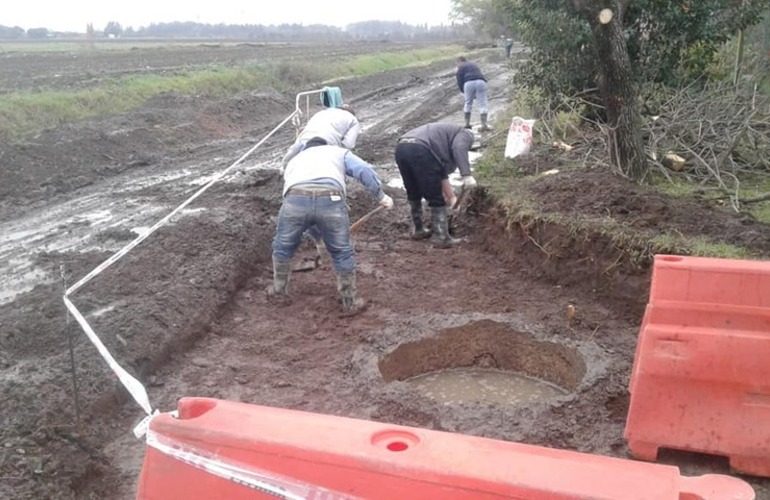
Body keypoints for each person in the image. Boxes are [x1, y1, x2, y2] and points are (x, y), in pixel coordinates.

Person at [269, 137, 394, 314]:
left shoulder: (295, 159)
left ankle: (279, 291)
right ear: (325, 145)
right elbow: (364, 169)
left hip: (295, 200)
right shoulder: (337, 152)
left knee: (283, 245)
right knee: (341, 251)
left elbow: (308, 207)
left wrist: (319, 239)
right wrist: (381, 196)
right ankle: (349, 303)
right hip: (331, 200)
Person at [394, 122, 477, 248]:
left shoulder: (440, 139)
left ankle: (418, 229)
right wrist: (466, 175)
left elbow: (441, 174)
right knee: (435, 195)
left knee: (413, 190)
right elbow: (459, 148)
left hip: (401, 148)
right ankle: (441, 237)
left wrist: (452, 198)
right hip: (421, 149)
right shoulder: (465, 134)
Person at [281, 104, 360, 171]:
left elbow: (300, 140)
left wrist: (284, 166)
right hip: (328, 147)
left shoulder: (321, 113)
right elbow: (348, 145)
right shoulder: (353, 119)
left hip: (305, 144)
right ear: (352, 113)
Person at [455, 56, 491, 132]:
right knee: (483, 103)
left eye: (456, 63)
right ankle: (484, 125)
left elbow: (459, 80)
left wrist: (463, 91)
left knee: (468, 103)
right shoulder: (473, 65)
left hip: (468, 83)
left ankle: (467, 124)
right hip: (481, 82)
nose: (456, 65)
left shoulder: (461, 67)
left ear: (459, 61)